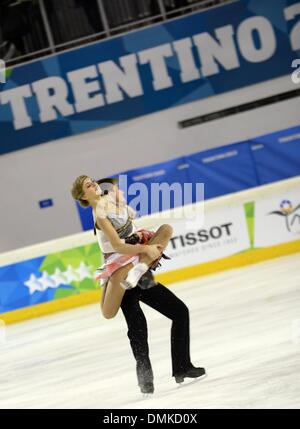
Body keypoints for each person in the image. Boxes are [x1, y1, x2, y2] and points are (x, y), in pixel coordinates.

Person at [71, 175, 206, 394]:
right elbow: (118, 246)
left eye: (93, 181)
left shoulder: (111, 202)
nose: (94, 185)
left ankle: (182, 367)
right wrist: (145, 249)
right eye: (88, 185)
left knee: (179, 311)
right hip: (121, 271)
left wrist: (127, 214)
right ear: (83, 196)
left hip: (137, 269)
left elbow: (131, 217)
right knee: (137, 327)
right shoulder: (99, 216)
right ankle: (146, 381)